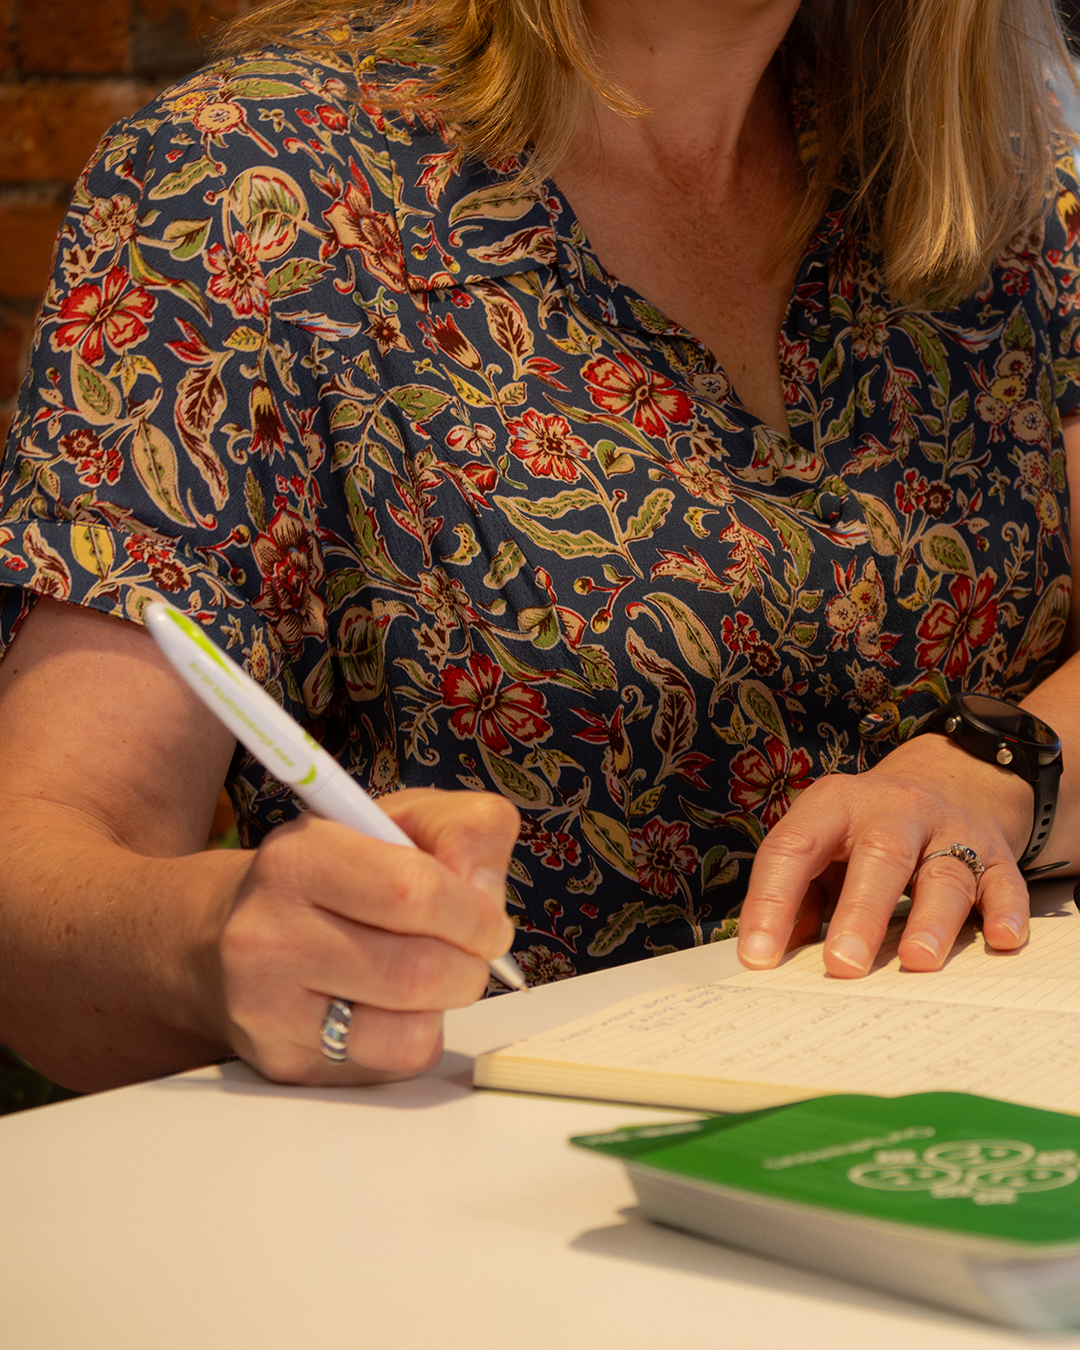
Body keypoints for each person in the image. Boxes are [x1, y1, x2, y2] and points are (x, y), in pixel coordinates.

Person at [1, 0, 1078, 1093]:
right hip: (513, 1174)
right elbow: (37, 888)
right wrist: (213, 951)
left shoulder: (995, 148)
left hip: (992, 1118)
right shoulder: (260, 180)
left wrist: (995, 770)